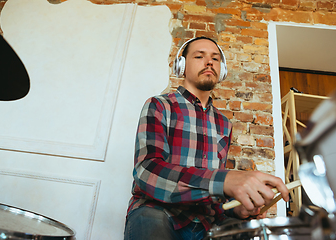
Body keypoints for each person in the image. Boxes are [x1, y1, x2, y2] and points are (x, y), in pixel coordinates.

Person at [124, 36, 289, 240]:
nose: (209, 62)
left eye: (215, 58)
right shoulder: (159, 105)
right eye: (199, 56)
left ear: (222, 71)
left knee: (249, 232)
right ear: (181, 66)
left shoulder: (224, 124)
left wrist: (239, 208)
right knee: (150, 220)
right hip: (157, 212)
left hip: (207, 220)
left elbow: (216, 194)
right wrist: (225, 180)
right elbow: (146, 171)